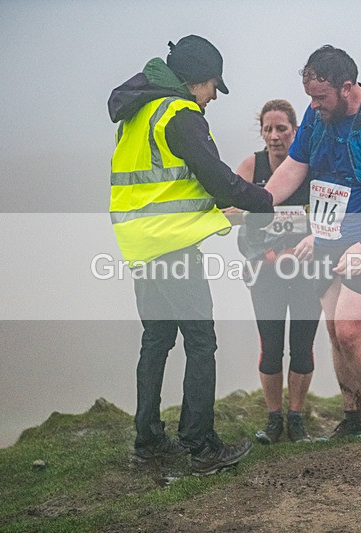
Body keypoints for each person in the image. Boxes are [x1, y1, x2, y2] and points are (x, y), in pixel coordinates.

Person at [107, 34, 275, 474]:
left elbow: (167, 184)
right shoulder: (180, 115)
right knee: (201, 341)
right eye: (213, 87)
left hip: (141, 245)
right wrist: (262, 201)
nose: (213, 97)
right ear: (197, 80)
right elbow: (218, 179)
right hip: (173, 247)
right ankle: (200, 446)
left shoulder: (141, 111)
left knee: (157, 339)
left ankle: (148, 440)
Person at [263, 46, 361, 438]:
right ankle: (353, 416)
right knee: (334, 330)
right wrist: (256, 202)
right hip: (330, 235)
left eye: (321, 97)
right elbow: (293, 170)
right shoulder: (318, 118)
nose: (313, 107)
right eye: (309, 97)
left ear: (346, 87)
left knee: (350, 329)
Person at [223, 100, 322, 444]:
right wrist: (267, 254)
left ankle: (296, 418)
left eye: (282, 128)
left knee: (303, 346)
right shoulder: (252, 165)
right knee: (270, 345)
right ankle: (272, 420)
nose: (275, 136)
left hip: (309, 269)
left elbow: (329, 218)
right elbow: (239, 222)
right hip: (265, 271)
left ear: (295, 130)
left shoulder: (311, 167)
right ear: (261, 132)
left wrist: (308, 244)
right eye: (268, 128)